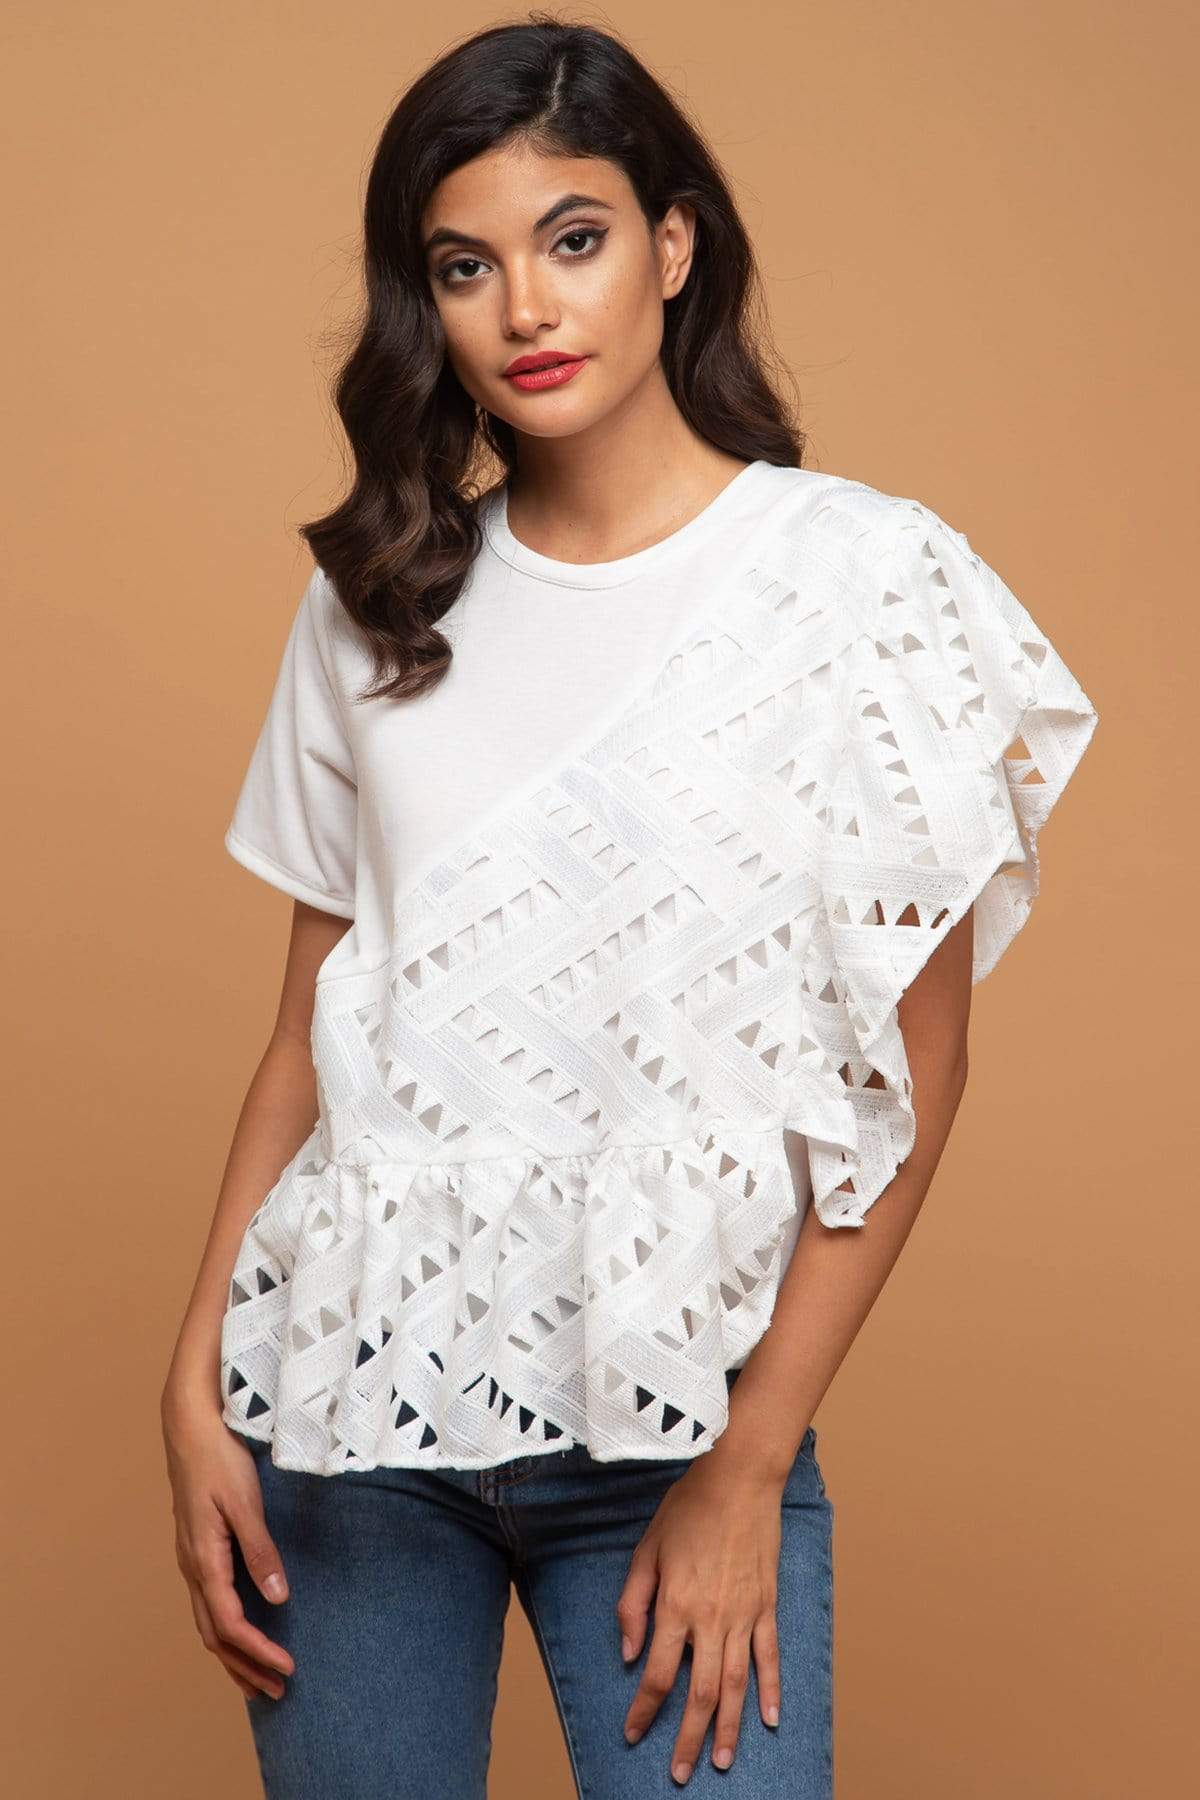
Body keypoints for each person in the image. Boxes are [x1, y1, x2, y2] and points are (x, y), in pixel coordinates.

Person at [160, 18, 1099, 1799]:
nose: (527, 305)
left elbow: (919, 1073)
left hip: (682, 1426)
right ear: (426, 302)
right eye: (467, 265)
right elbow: (307, 1039)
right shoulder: (379, 601)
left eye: (573, 238)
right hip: (345, 1418)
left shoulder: (862, 583)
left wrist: (751, 1463)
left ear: (673, 246)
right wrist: (191, 1382)